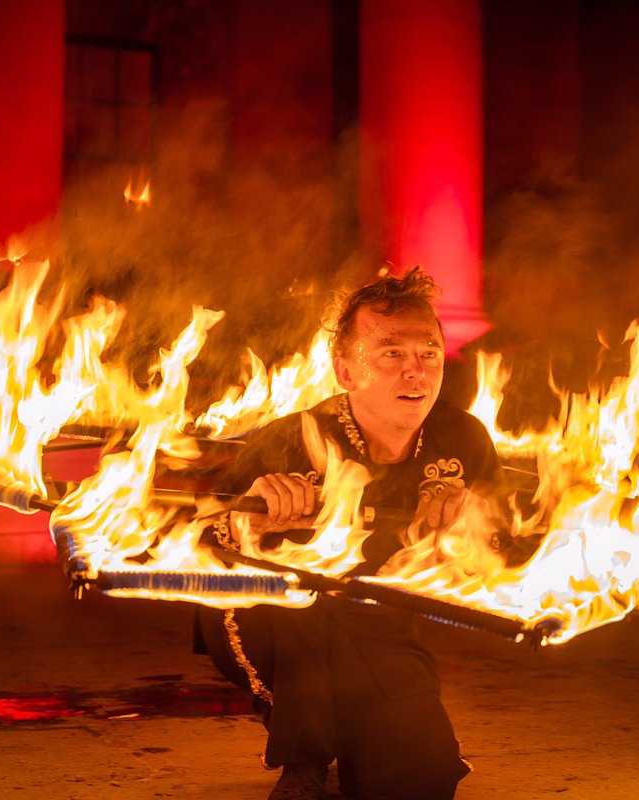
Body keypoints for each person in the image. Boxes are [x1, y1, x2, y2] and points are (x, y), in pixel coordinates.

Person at [197, 268, 504, 800]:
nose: (415, 371)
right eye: (390, 353)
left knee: (420, 777)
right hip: (268, 618)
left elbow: (513, 546)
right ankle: (304, 762)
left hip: (378, 627)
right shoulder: (289, 440)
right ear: (345, 370)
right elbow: (198, 542)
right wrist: (250, 520)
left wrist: (476, 523)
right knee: (292, 605)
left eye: (428, 352)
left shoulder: (464, 440)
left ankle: (352, 731)